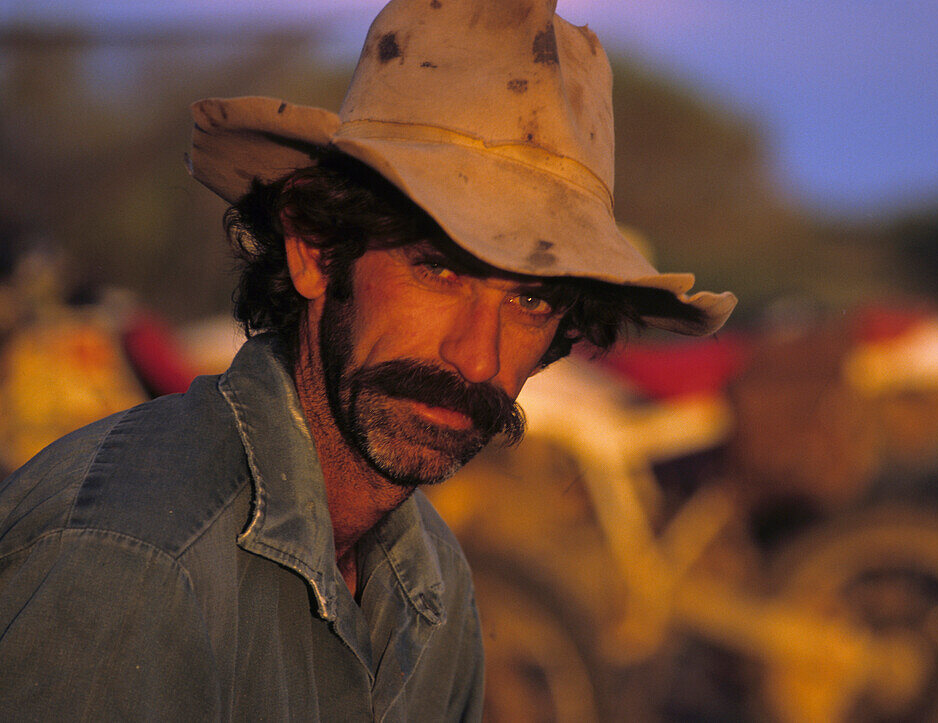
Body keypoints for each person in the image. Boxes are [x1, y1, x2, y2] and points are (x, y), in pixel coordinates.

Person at [0, 0, 735, 719]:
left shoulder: (430, 578)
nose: (478, 359)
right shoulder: (134, 564)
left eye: (534, 302)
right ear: (316, 250)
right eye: (440, 271)